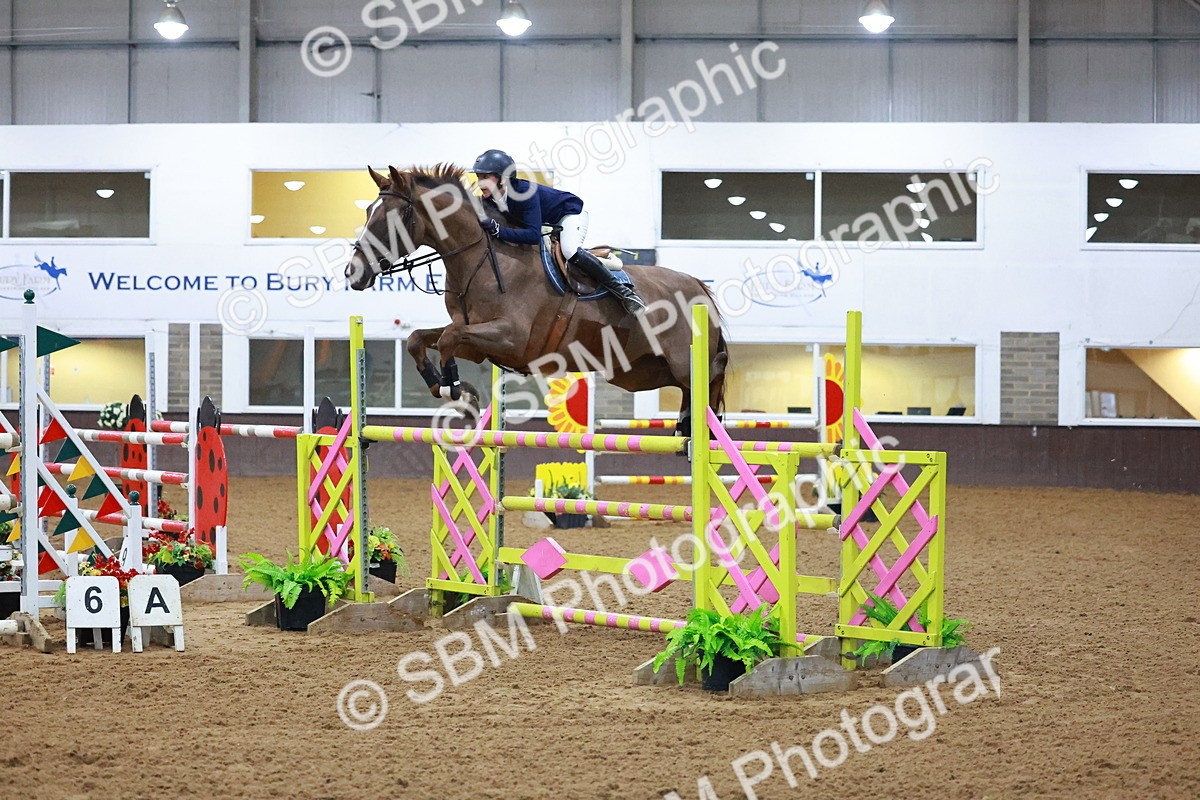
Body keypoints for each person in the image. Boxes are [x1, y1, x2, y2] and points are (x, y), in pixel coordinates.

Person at [471, 149, 646, 314]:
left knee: (569, 251)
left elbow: (532, 236)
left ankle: (624, 293)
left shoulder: (524, 193)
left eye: (485, 177)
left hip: (569, 214)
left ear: (503, 178)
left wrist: (498, 231)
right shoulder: (490, 200)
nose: (480, 183)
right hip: (547, 223)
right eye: (479, 177)